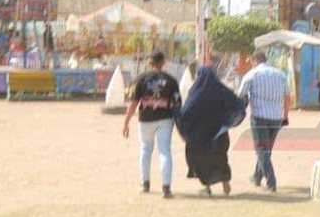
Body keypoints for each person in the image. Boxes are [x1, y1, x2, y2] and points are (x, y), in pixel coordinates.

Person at [177, 66, 246, 196]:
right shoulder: (222, 90)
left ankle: (207, 187)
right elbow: (237, 104)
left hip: (202, 134)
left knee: (203, 159)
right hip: (220, 132)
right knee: (221, 156)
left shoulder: (196, 91)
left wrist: (180, 120)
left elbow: (187, 110)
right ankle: (225, 181)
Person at [122, 50, 181, 198]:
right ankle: (166, 187)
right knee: (164, 151)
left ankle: (145, 183)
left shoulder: (141, 79)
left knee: (145, 149)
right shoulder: (171, 81)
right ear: (163, 62)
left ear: (150, 63)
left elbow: (134, 103)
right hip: (165, 119)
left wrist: (126, 123)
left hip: (146, 119)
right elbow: (177, 104)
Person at [238, 50, 290, 192]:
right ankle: (257, 176)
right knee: (267, 150)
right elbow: (287, 96)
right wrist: (286, 115)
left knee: (261, 150)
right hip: (276, 118)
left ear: (254, 60)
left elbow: (241, 95)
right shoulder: (280, 74)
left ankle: (271, 182)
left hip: (259, 117)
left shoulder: (251, 75)